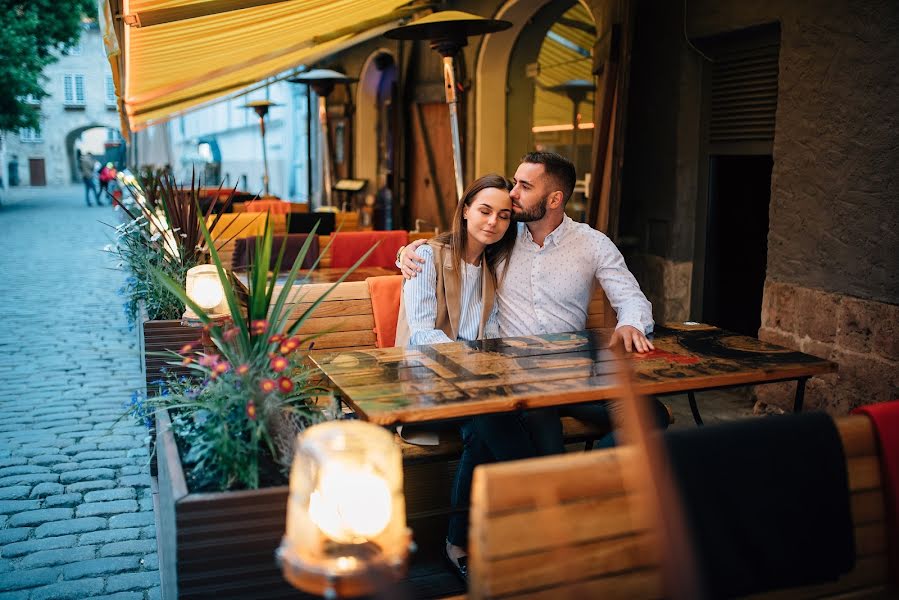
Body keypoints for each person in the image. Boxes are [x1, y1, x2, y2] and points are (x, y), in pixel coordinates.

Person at [401, 151, 669, 454]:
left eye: (524, 187)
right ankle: (558, 486)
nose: (512, 194)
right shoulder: (503, 236)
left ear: (554, 199)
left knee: (652, 415)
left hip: (575, 375)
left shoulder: (591, 243)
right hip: (517, 376)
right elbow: (460, 243)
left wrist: (631, 323)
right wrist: (409, 251)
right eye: (515, 183)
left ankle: (586, 473)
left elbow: (632, 298)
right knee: (535, 422)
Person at [397, 174, 547, 582]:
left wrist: (490, 369)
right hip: (427, 382)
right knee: (493, 418)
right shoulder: (427, 257)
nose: (493, 222)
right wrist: (477, 365)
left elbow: (493, 336)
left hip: (476, 390)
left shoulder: (492, 268)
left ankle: (457, 544)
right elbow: (422, 334)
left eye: (503, 215)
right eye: (484, 210)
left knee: (490, 425)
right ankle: (541, 510)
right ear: (465, 210)